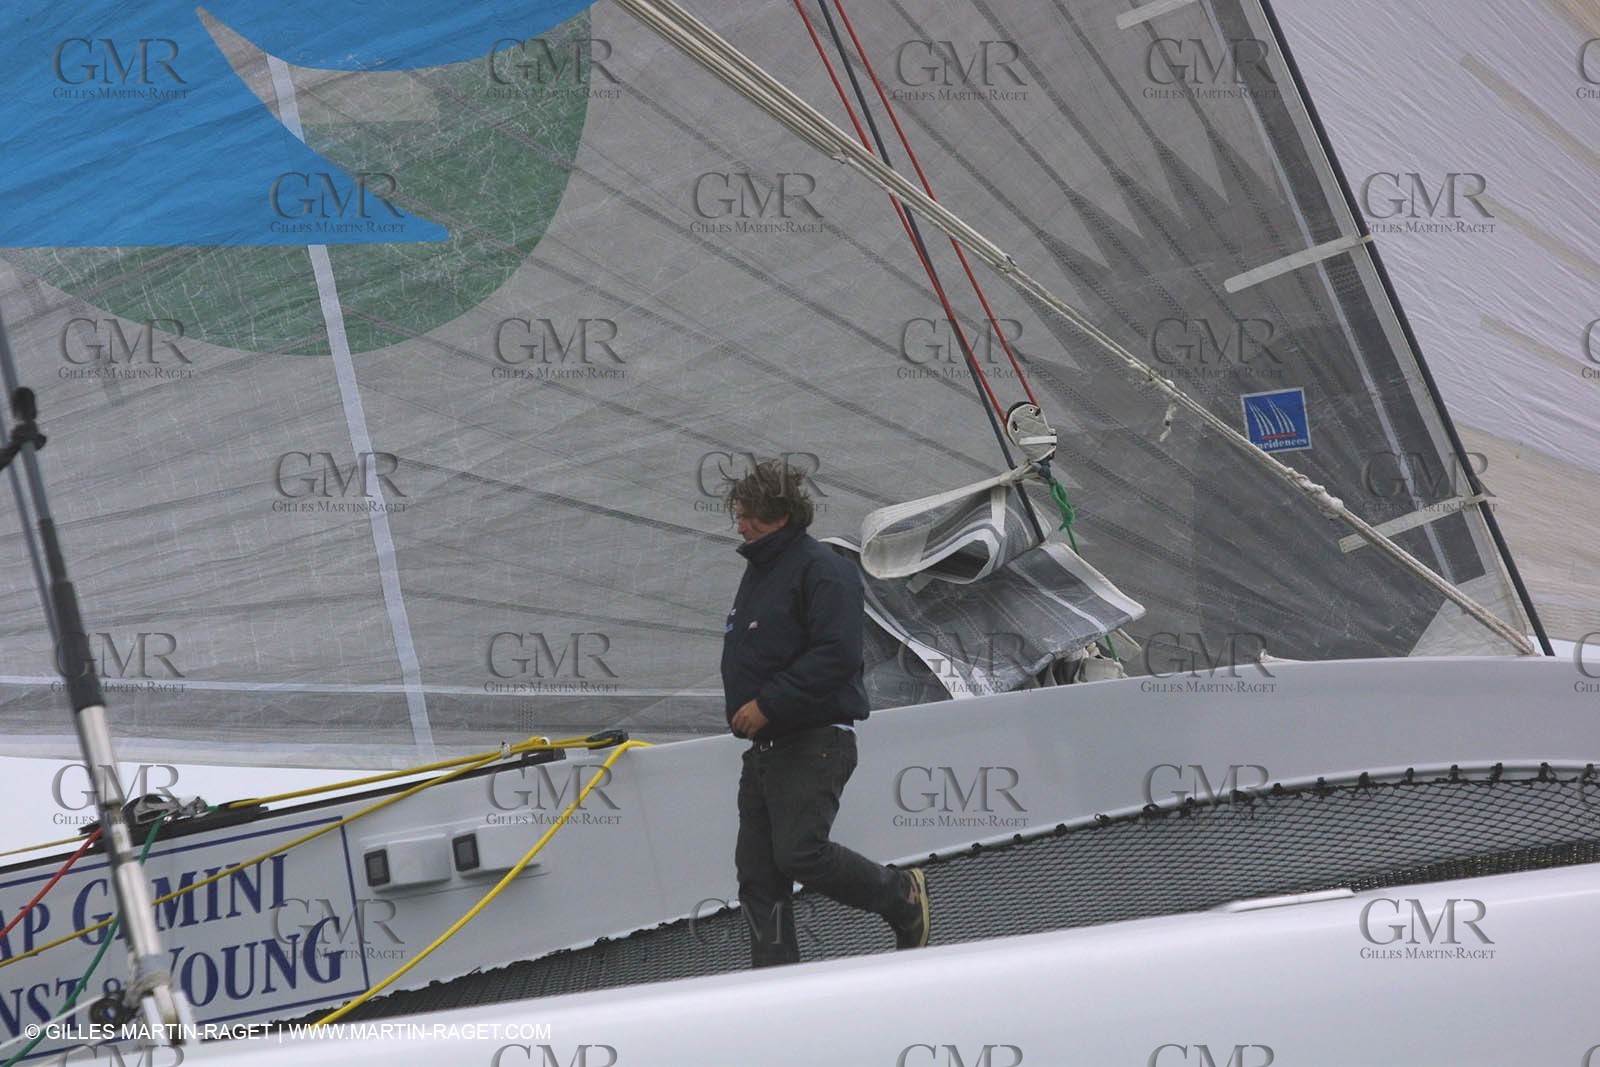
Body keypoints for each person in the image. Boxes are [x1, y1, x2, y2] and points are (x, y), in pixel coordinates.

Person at [720, 458, 929, 968]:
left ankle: (900, 895)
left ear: (779, 516)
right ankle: (775, 982)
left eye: (747, 516)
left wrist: (767, 704)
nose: (739, 526)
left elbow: (837, 655)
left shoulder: (824, 570)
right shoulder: (761, 571)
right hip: (767, 750)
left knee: (799, 854)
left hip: (813, 742)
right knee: (758, 876)